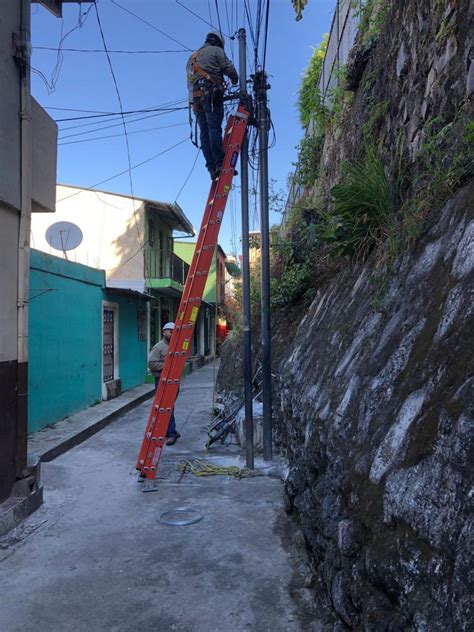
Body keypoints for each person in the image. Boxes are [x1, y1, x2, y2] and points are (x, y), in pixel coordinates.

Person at [187, 31, 239, 180]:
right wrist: (235, 79)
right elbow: (228, 68)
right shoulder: (216, 51)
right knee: (214, 128)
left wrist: (192, 103)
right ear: (218, 43)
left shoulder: (191, 58)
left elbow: (189, 83)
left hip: (196, 100)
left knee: (204, 132)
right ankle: (220, 163)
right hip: (211, 95)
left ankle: (211, 167)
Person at [148, 322, 181, 446]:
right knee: (167, 406)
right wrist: (168, 366)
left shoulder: (176, 346)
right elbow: (152, 364)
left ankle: (170, 431)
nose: (172, 334)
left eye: (174, 332)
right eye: (170, 331)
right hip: (162, 381)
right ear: (164, 332)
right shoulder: (159, 347)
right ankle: (171, 433)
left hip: (174, 380)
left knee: (170, 405)